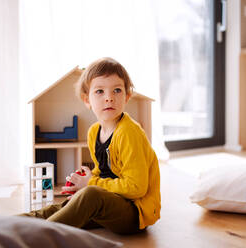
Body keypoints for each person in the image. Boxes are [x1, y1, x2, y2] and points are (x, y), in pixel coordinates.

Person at [20, 57, 161, 234]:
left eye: (117, 90)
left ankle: (38, 236)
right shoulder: (94, 132)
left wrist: (90, 183)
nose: (109, 98)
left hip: (134, 213)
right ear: (87, 100)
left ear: (127, 97)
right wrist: (81, 182)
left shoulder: (129, 132)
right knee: (66, 205)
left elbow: (136, 188)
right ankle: (10, 224)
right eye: (100, 91)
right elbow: (103, 172)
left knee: (90, 195)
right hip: (110, 201)